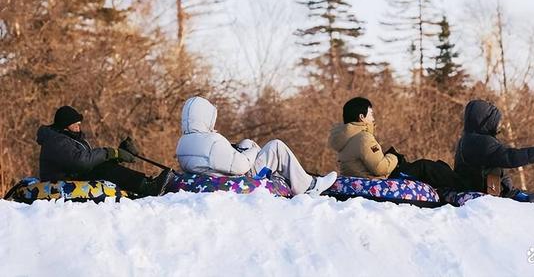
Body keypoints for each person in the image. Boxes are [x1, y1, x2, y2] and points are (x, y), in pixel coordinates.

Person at [175, 96, 337, 196]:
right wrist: (252, 151)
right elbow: (240, 166)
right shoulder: (212, 140)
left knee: (246, 142)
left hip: (214, 174)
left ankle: (288, 176)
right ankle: (309, 186)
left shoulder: (184, 141)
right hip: (240, 176)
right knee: (276, 146)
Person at [328, 97, 464, 191]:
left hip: (363, 177)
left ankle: (449, 178)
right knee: (425, 166)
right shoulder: (363, 138)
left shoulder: (345, 138)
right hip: (376, 179)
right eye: (371, 114)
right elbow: (380, 169)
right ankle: (463, 186)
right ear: (362, 117)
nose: (373, 118)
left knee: (436, 166)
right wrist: (393, 157)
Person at [37, 105, 173, 197]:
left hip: (73, 174)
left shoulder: (70, 138)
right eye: (75, 124)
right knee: (104, 170)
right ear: (65, 125)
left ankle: (146, 183)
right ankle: (148, 187)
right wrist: (110, 152)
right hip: (62, 179)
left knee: (106, 166)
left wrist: (117, 156)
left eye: (79, 124)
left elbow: (87, 160)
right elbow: (81, 162)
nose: (79, 127)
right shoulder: (56, 141)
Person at [454, 99, 534, 204]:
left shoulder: (467, 139)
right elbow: (511, 157)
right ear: (484, 121)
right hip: (498, 195)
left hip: (491, 191)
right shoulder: (481, 142)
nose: (498, 125)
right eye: (494, 121)